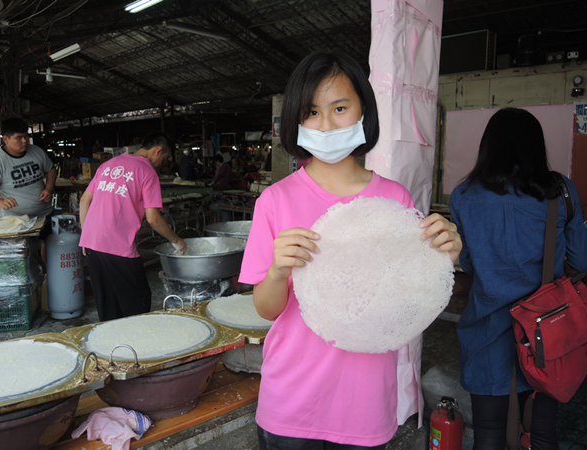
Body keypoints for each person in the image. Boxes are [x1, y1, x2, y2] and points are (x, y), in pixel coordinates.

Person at [238, 51, 462, 449]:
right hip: (290, 405)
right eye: (311, 112)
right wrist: (277, 271)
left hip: (366, 407)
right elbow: (267, 310)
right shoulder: (275, 201)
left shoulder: (394, 199)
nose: (325, 125)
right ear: (296, 120)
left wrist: (443, 259)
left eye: (340, 107)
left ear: (363, 110)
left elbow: (408, 299)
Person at [449, 108, 587, 450]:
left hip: (486, 333)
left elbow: (468, 262)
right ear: (535, 146)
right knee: (542, 435)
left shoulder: (463, 195)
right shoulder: (561, 191)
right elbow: (582, 259)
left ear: (488, 146)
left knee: (490, 435)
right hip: (547, 334)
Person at [79, 132, 187, 322]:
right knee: (137, 305)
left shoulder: (107, 165)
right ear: (158, 150)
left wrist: (85, 236)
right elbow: (153, 218)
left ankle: (111, 348)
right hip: (118, 248)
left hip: (92, 245)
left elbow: (84, 201)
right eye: (164, 157)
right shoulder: (147, 172)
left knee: (108, 307)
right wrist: (176, 240)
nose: (162, 162)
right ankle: (135, 348)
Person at [0, 117, 56, 261]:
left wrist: (49, 188)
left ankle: (49, 274)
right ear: (5, 139)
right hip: (18, 222)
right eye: (18, 138)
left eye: (26, 136)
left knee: (51, 245)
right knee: (24, 255)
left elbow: (50, 169)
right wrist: (0, 202)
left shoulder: (36, 151)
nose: (25, 141)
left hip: (45, 213)